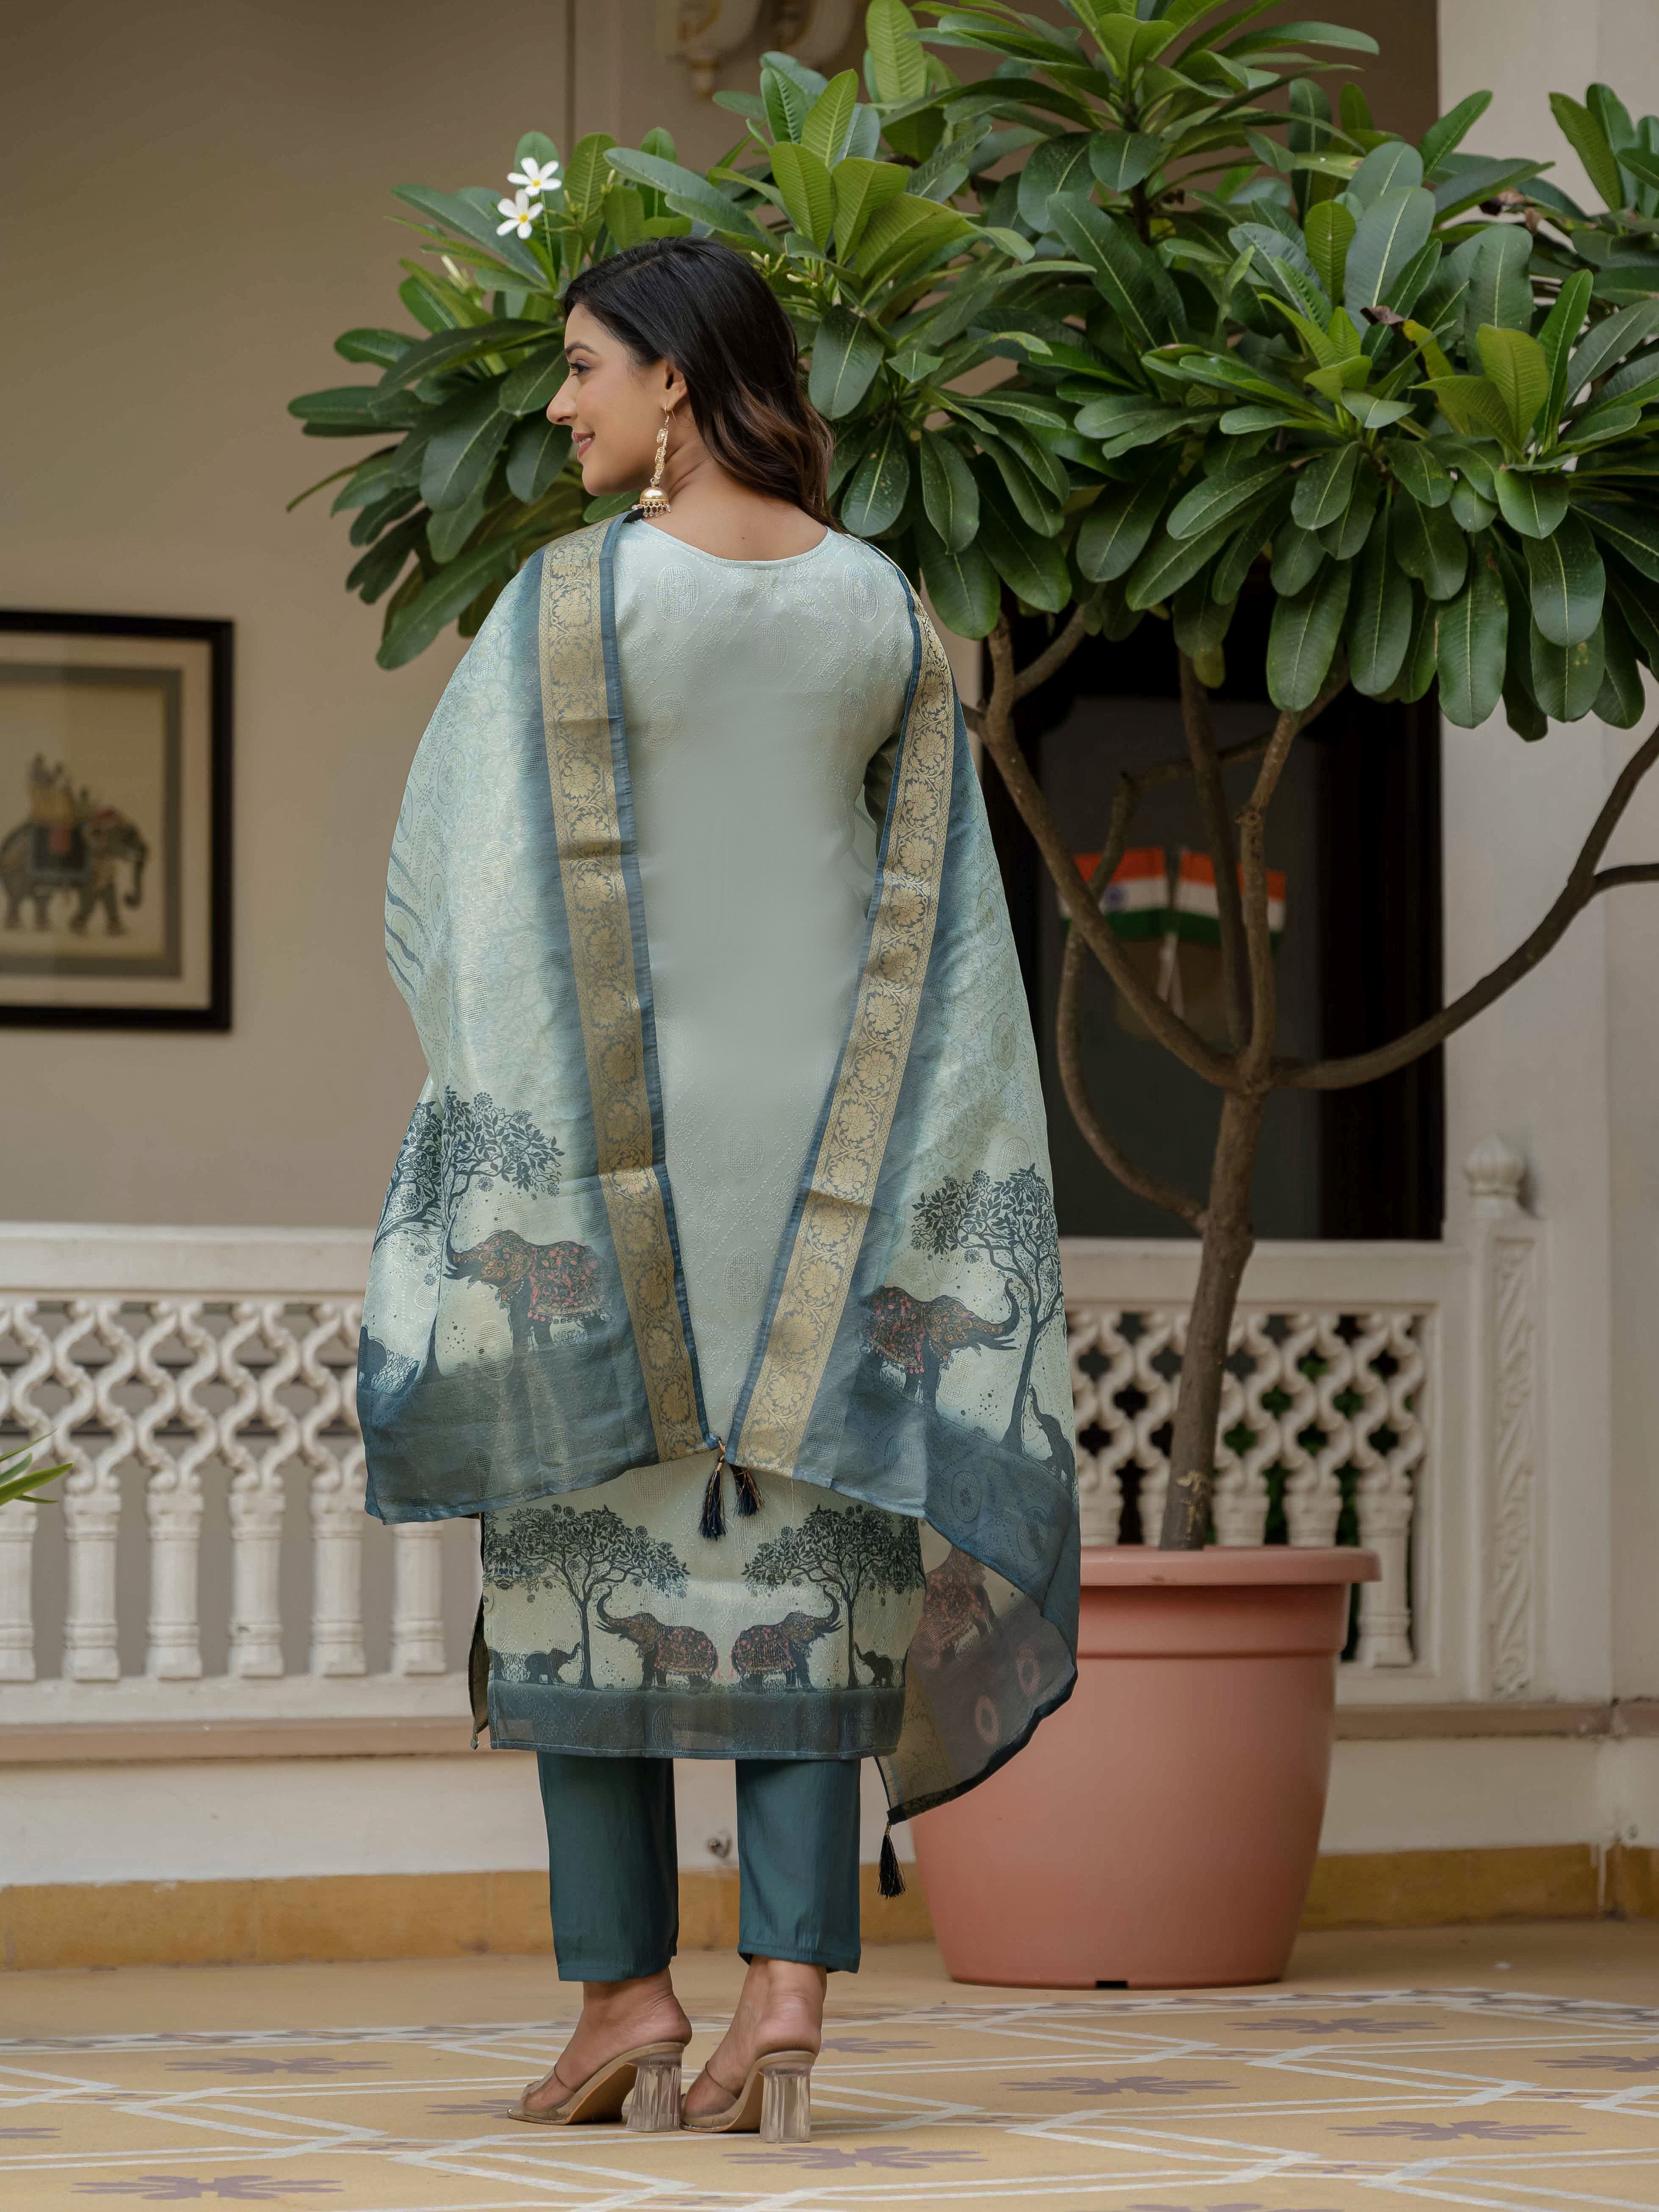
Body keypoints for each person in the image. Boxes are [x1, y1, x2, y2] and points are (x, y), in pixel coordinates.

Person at [358, 237, 1079, 2142]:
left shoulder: (565, 604)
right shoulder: (885, 608)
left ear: (674, 378)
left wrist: (487, 1108)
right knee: (806, 1578)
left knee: (580, 1570)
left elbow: (456, 894)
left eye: (584, 365)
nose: (559, 404)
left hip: (603, 1176)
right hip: (835, 1177)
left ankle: (622, 1999)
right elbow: (947, 920)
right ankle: (787, 1995)